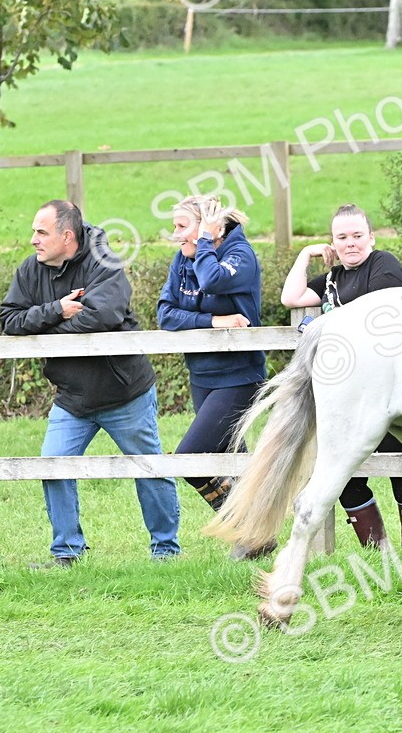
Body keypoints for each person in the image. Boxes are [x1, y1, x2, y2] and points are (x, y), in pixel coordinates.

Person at [0, 200, 180, 567]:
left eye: (41, 232)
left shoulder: (104, 262)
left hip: (123, 392)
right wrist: (57, 310)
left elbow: (102, 316)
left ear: (67, 236)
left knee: (149, 467)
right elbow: (9, 320)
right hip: (72, 397)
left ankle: (166, 550)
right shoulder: (29, 270)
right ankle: (67, 552)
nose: (33, 239)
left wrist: (46, 330)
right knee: (53, 465)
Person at [280, 204, 402, 559]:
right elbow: (291, 298)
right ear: (333, 243)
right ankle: (377, 552)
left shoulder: (383, 265)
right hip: (349, 394)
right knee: (342, 474)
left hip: (392, 388)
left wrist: (321, 325)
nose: (350, 243)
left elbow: (377, 315)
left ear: (371, 238)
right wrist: (304, 255)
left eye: (357, 235)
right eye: (342, 237)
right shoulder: (332, 279)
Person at [157, 196, 272, 560]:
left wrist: (204, 241)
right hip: (201, 374)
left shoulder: (241, 255)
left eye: (182, 226)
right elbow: (166, 314)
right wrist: (213, 321)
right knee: (230, 460)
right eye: (175, 226)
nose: (177, 235)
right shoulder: (183, 258)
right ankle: (255, 536)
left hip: (239, 376)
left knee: (192, 458)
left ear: (213, 228)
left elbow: (212, 279)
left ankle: (251, 530)